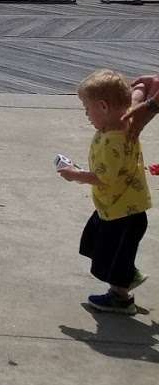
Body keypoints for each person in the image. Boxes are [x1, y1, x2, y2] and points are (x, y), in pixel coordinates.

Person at [56, 69, 150, 314]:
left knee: (109, 257)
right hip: (119, 207)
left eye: (87, 109)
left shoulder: (112, 141)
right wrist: (140, 86)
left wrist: (74, 174)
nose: (86, 115)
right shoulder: (128, 119)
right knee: (95, 243)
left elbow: (103, 178)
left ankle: (120, 297)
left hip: (121, 212)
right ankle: (127, 273)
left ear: (104, 107)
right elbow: (136, 98)